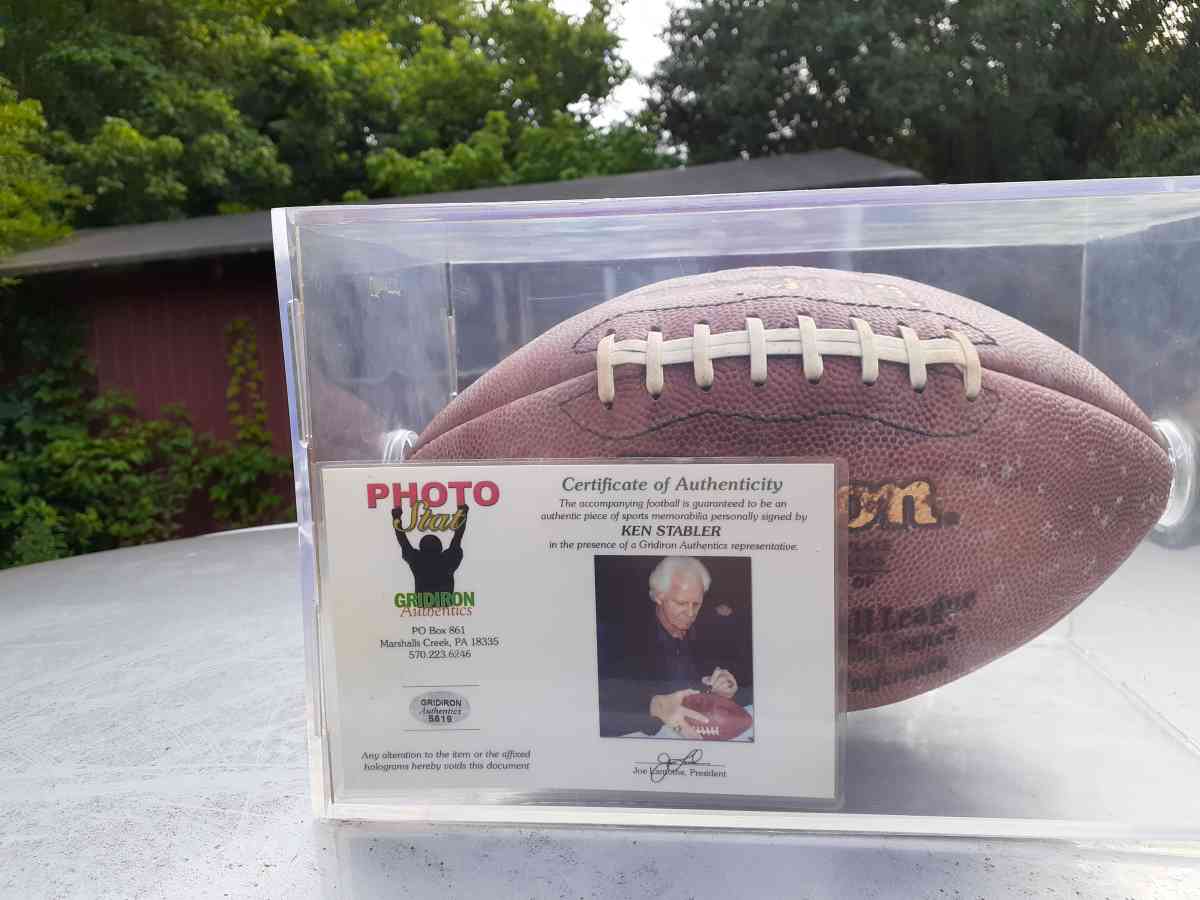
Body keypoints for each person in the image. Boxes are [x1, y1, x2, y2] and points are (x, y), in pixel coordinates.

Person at [598, 556, 743, 739]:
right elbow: (603, 701)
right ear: (659, 596)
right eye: (681, 603)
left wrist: (726, 686)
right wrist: (653, 705)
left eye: (696, 604)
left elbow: (737, 674)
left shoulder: (709, 628)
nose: (690, 614)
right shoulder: (624, 636)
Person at [392, 502, 468, 592]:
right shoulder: (448, 559)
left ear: (421, 548)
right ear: (440, 547)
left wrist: (396, 517)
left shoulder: (417, 560)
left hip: (425, 604)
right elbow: (457, 537)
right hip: (444, 603)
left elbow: (402, 540)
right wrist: (462, 513)